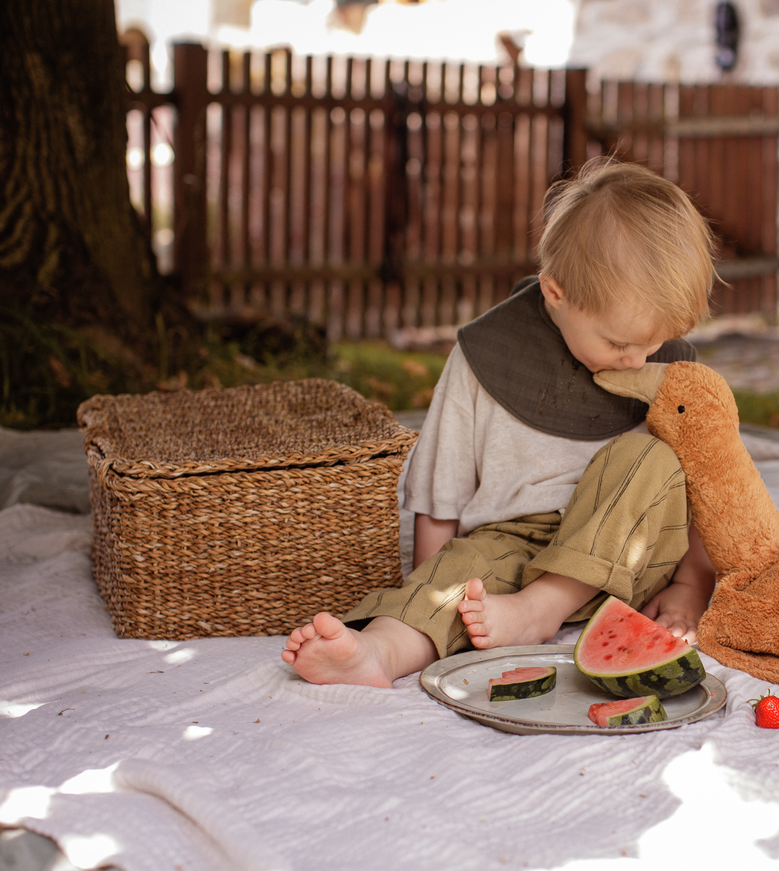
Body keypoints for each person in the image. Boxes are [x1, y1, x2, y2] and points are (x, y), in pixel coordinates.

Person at [281, 158, 718, 688]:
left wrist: (692, 584)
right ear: (556, 293)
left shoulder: (664, 364)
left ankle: (542, 609)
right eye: (621, 344)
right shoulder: (484, 356)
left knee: (650, 457)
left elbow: (703, 486)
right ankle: (379, 652)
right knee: (458, 576)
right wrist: (427, 589)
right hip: (512, 548)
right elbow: (440, 492)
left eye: (654, 344)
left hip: (632, 560)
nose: (637, 360)